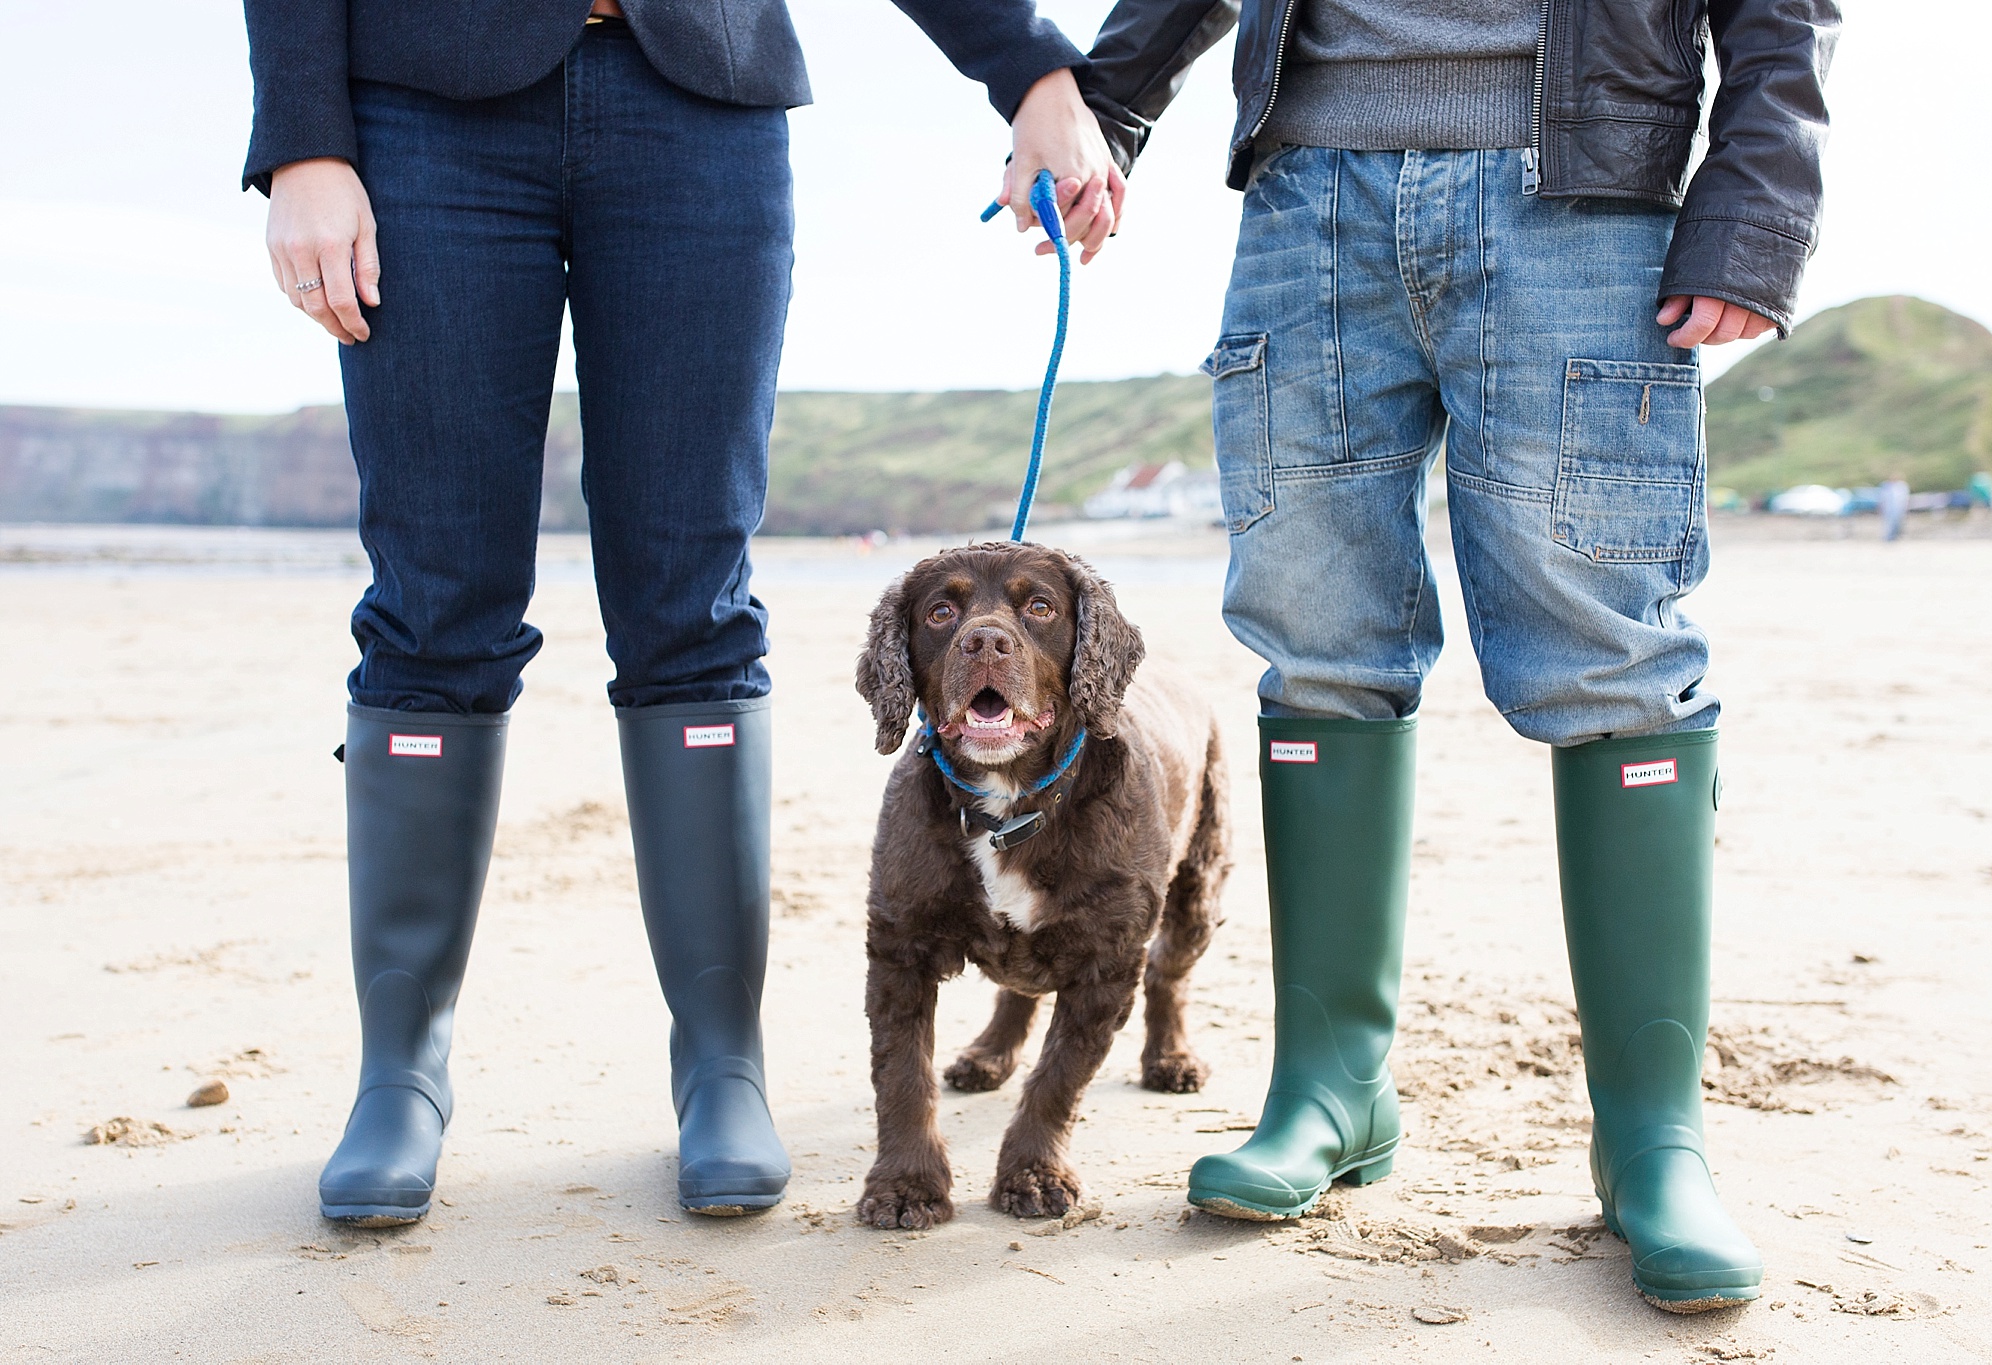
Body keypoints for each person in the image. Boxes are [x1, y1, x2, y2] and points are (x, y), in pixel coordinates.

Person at [242, 0, 1119, 1226]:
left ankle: (720, 1062)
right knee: (435, 608)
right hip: (420, 111)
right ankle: (400, 1075)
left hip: (698, 106)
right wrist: (300, 139)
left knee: (691, 605)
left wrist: (1029, 73)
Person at [1075, 0, 1836, 1311]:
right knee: (1314, 639)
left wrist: (1758, 199)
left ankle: (1652, 1140)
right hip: (1308, 190)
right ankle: (1330, 1088)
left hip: (1583, 200)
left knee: (1614, 660)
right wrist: (1102, 108)